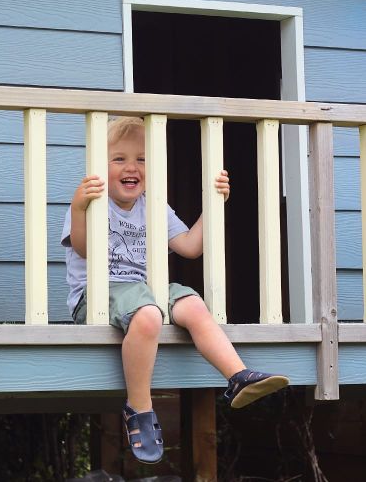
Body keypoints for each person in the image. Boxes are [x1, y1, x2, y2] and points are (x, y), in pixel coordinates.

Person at [61, 117, 289, 464]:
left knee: (193, 304)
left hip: (144, 292)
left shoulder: (153, 207)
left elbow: (189, 246)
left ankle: (237, 376)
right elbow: (82, 248)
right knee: (150, 314)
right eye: (119, 159)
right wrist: (79, 207)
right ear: (97, 166)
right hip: (97, 295)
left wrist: (214, 203)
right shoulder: (92, 201)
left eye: (141, 159)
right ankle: (139, 408)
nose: (131, 167)